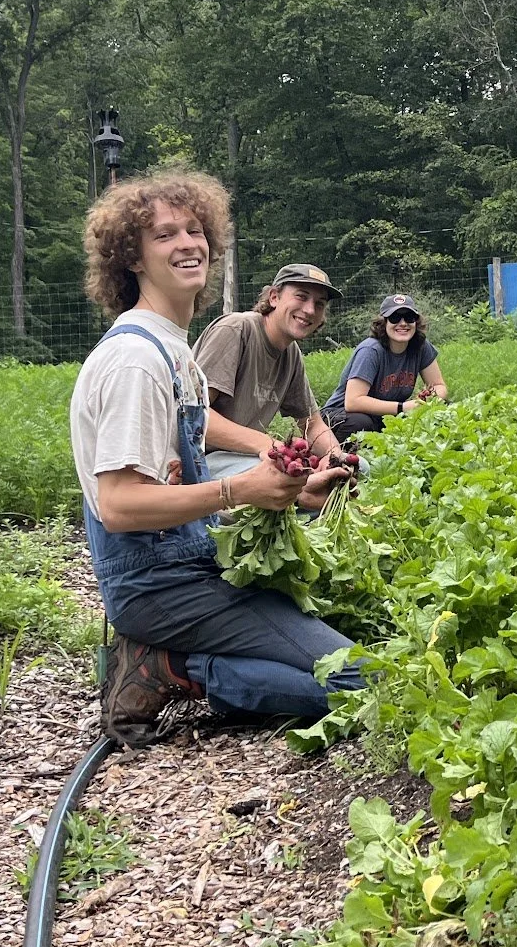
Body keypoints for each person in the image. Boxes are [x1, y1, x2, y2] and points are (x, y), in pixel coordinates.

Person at [69, 170, 362, 748]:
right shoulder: (136, 362)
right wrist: (241, 490)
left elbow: (181, 479)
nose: (188, 243)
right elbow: (120, 506)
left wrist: (292, 493)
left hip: (189, 562)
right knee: (360, 679)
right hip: (155, 585)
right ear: (131, 258)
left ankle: (182, 660)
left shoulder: (174, 351)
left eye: (196, 230)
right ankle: (173, 667)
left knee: (336, 657)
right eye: (165, 235)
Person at [196, 263, 346, 482]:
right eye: (301, 297)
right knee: (281, 477)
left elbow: (311, 424)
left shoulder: (290, 353)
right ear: (274, 297)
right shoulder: (236, 330)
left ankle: (305, 496)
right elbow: (196, 417)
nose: (310, 310)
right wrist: (269, 445)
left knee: (360, 467)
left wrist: (335, 459)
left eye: (319, 304)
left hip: (245, 458)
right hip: (199, 459)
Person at [321, 293, 447, 437]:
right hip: (341, 415)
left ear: (416, 322)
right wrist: (403, 408)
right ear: (384, 323)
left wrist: (427, 403)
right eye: (394, 318)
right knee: (361, 424)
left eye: (409, 317)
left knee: (444, 409)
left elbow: (439, 386)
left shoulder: (421, 346)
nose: (403, 323)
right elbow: (353, 401)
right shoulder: (370, 351)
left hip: (383, 415)